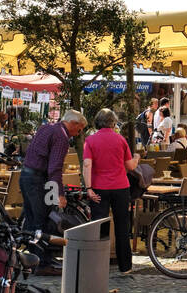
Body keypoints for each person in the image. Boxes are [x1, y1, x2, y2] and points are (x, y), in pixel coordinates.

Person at [20, 109, 87, 270]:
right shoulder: (62, 137)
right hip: (38, 180)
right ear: (73, 123)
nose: (79, 133)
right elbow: (54, 169)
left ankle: (32, 259)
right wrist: (60, 194)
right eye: (79, 129)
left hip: (26, 176)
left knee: (31, 220)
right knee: (42, 220)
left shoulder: (46, 128)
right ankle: (43, 262)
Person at [83, 109, 140, 274]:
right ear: (113, 123)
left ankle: (98, 266)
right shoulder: (121, 140)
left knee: (99, 226)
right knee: (123, 226)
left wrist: (89, 188)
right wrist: (136, 158)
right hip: (121, 187)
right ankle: (125, 266)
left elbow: (87, 165)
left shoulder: (90, 140)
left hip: (99, 188)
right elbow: (130, 167)